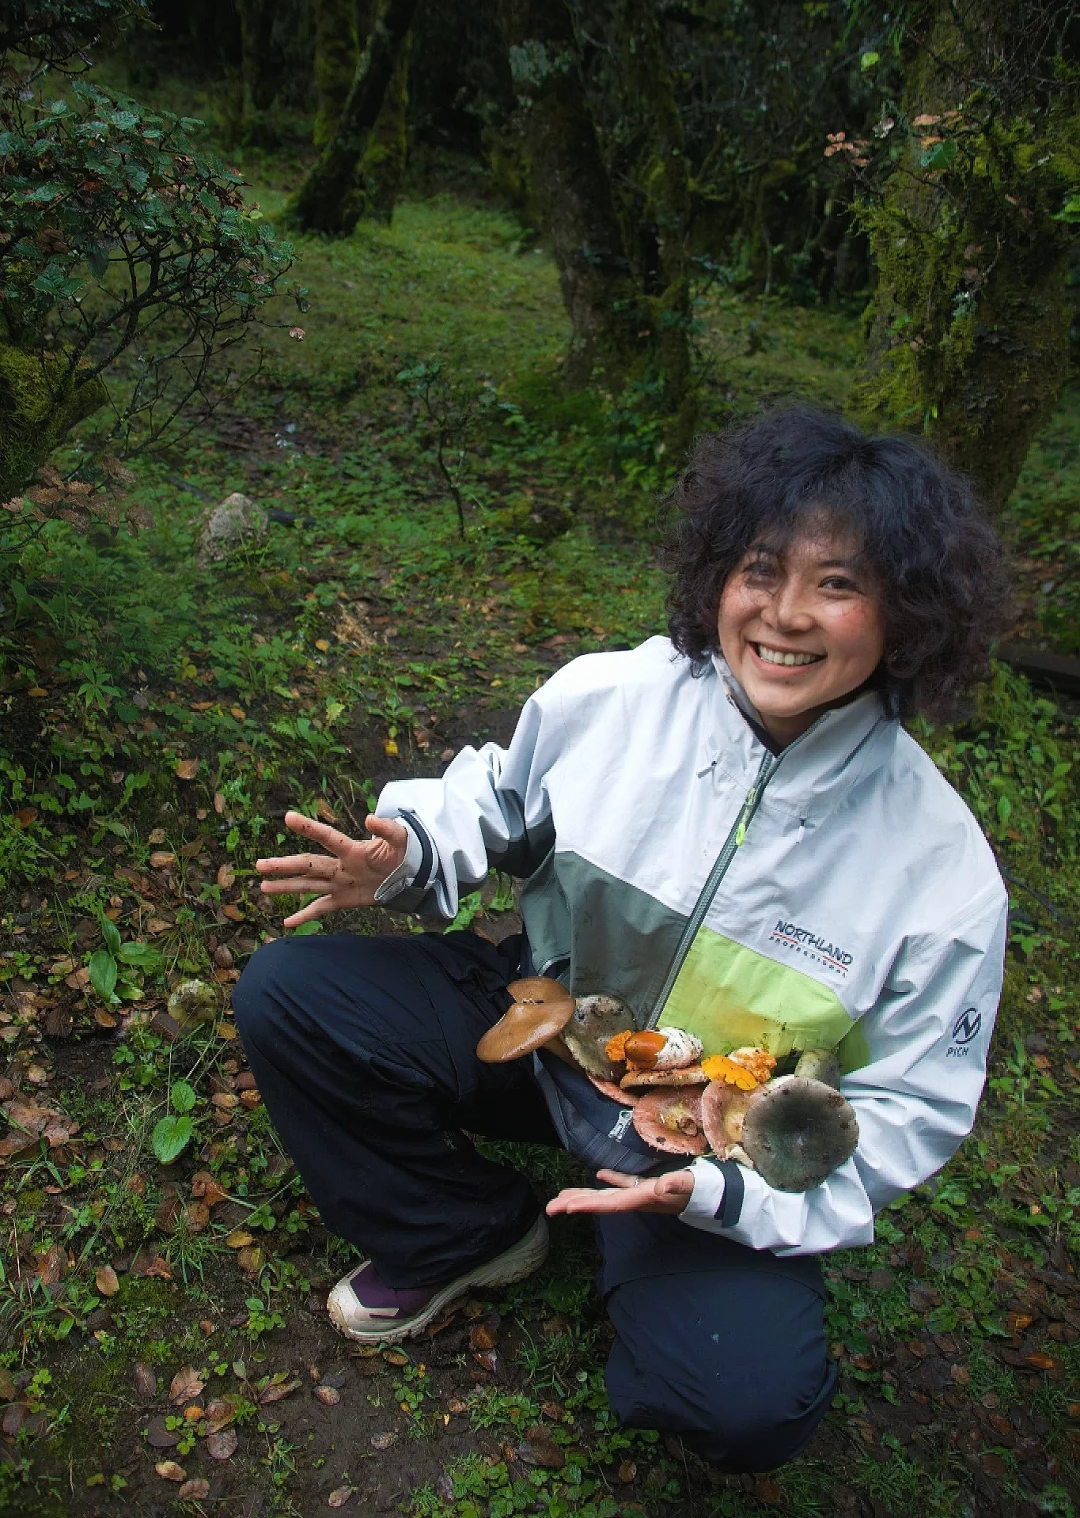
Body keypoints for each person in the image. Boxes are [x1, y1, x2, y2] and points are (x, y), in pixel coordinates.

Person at [233, 407, 1010, 1472]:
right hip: (550, 1026)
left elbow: (911, 1110)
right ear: (714, 578)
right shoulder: (619, 698)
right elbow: (498, 804)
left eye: (838, 584)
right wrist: (408, 854)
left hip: (713, 1140)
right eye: (761, 569)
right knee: (291, 993)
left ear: (905, 613)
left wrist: (727, 1189)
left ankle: (655, 1253)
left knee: (747, 1406)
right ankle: (465, 1233)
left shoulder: (939, 870)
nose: (784, 616)